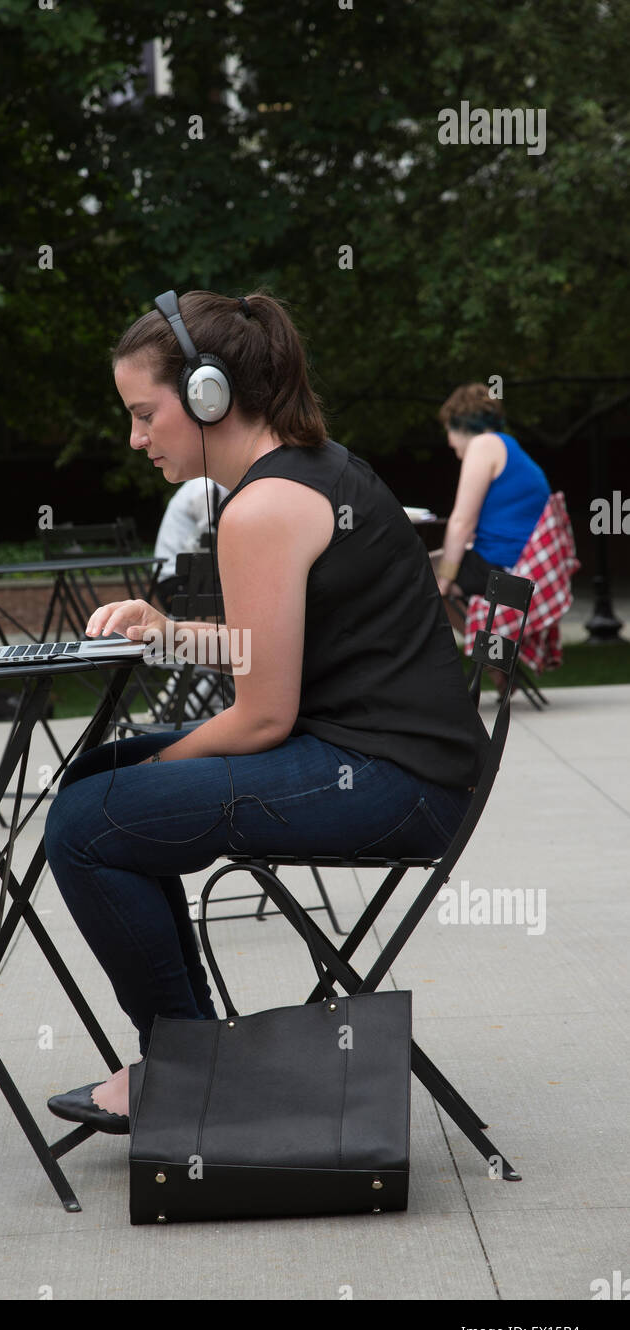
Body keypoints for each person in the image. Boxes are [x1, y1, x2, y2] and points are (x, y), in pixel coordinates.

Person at [43, 288, 490, 1134]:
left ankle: (185, 1070)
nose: (135, 437)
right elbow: (269, 649)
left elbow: (260, 717)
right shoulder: (307, 474)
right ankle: (191, 1055)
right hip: (402, 762)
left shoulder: (263, 506)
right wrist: (169, 633)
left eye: (145, 414)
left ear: (209, 394)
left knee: (87, 823)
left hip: (397, 783)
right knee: (100, 779)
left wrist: (157, 767)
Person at [430, 384, 551, 693]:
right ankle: (499, 665)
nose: (449, 441)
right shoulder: (507, 446)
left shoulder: (483, 445)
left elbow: (461, 521)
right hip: (517, 566)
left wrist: (444, 578)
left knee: (415, 575)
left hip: (503, 570)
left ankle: (479, 670)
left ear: (461, 424)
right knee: (427, 568)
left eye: (449, 430)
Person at [152, 477, 232, 719]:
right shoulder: (204, 489)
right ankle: (198, 703)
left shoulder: (212, 487)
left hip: (190, 577)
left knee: (237, 634)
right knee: (243, 632)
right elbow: (208, 541)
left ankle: (199, 701)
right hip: (178, 584)